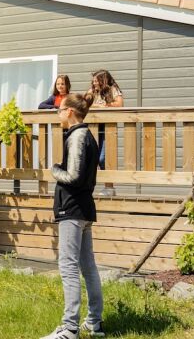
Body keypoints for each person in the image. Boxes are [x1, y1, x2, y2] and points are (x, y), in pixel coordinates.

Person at [41, 93, 104, 339]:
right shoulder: (88, 135)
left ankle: (69, 329)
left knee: (68, 267)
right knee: (88, 266)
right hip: (85, 209)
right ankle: (94, 324)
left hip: (73, 210)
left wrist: (55, 170)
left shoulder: (77, 135)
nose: (57, 114)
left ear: (69, 112)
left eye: (59, 110)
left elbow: (74, 177)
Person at [86, 69, 123, 196]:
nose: (94, 83)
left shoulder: (113, 89)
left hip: (107, 129)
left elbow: (119, 104)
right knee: (89, 157)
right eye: (93, 81)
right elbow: (83, 104)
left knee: (103, 158)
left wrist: (105, 106)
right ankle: (87, 187)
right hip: (91, 128)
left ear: (103, 81)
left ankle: (109, 188)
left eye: (96, 81)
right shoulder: (92, 91)